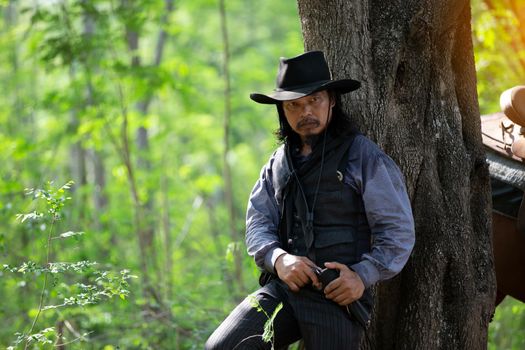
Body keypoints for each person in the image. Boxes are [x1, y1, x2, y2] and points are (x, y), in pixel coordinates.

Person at [205, 51, 415, 349]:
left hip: (337, 297)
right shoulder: (278, 163)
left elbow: (397, 231)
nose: (306, 112)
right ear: (283, 111)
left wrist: (361, 276)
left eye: (314, 100)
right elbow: (258, 222)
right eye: (294, 105)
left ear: (331, 100)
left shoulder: (364, 157)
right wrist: (279, 259)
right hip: (285, 288)